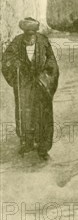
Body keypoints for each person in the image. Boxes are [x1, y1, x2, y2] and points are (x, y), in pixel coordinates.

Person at [1, 18, 59, 160]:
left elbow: (52, 61)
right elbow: (6, 59)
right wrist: (15, 65)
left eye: (32, 35)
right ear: (24, 33)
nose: (30, 38)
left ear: (36, 33)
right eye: (27, 35)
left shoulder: (43, 41)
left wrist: (46, 79)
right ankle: (27, 142)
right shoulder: (17, 42)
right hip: (25, 85)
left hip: (41, 85)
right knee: (25, 113)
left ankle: (43, 147)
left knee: (42, 115)